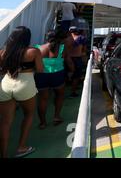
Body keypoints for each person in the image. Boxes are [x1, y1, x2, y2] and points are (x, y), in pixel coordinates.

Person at [0, 26, 44, 158]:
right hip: (25, 84)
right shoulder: (33, 51)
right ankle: (21, 148)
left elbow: (1, 70)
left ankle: (3, 154)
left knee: (6, 121)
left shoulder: (3, 52)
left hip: (6, 83)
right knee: (29, 115)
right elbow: (40, 70)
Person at [35, 30, 75, 129]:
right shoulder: (62, 48)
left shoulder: (38, 49)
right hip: (58, 75)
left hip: (42, 76)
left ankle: (43, 123)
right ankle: (56, 117)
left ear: (46, 37)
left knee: (43, 99)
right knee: (59, 96)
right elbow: (69, 61)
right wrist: (72, 71)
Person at [68, 26, 87, 98]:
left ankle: (71, 88)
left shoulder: (67, 39)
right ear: (77, 31)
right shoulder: (81, 38)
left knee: (70, 75)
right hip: (77, 59)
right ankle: (73, 92)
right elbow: (84, 51)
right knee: (76, 76)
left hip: (67, 59)